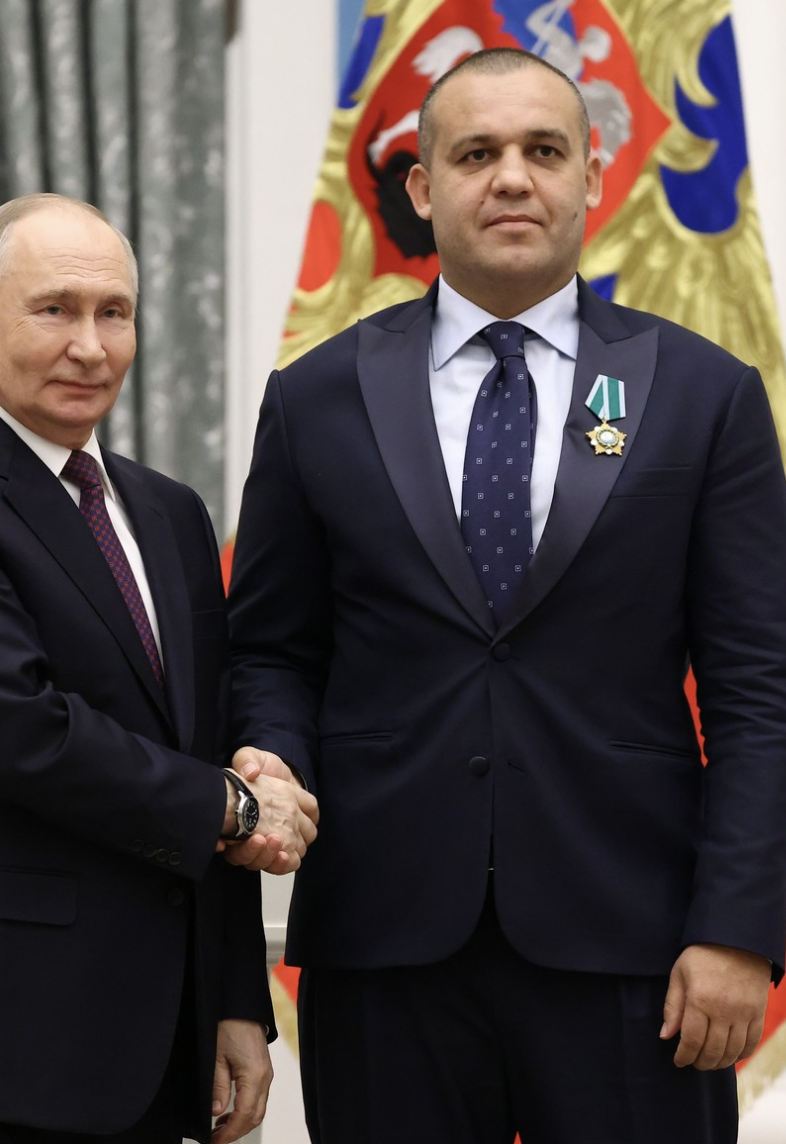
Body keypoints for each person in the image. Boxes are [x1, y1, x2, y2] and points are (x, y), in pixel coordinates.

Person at [226, 48, 786, 1143]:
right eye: (476, 153)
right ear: (422, 187)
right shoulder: (316, 396)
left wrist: (737, 926)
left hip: (636, 949)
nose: (512, 178)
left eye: (543, 150)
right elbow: (273, 651)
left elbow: (758, 687)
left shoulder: (703, 395)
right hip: (384, 944)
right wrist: (272, 760)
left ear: (593, 175)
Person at [0, 193, 317, 1144]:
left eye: (115, 313)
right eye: (54, 309)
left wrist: (235, 999)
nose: (91, 347)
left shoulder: (172, 513)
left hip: (152, 1055)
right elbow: (18, 731)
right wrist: (234, 807)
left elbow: (204, 741)